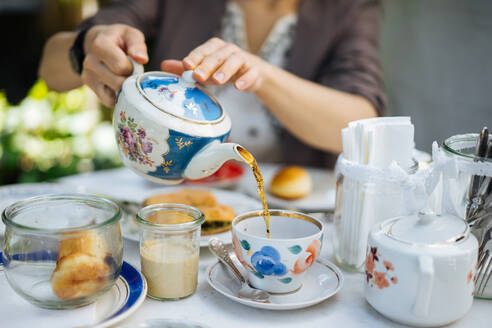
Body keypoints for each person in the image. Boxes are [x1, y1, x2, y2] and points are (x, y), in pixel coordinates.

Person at [39, 0, 385, 167]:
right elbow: (49, 71)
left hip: (278, 217)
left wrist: (260, 74)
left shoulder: (348, 8)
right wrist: (87, 45)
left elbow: (361, 121)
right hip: (164, 202)